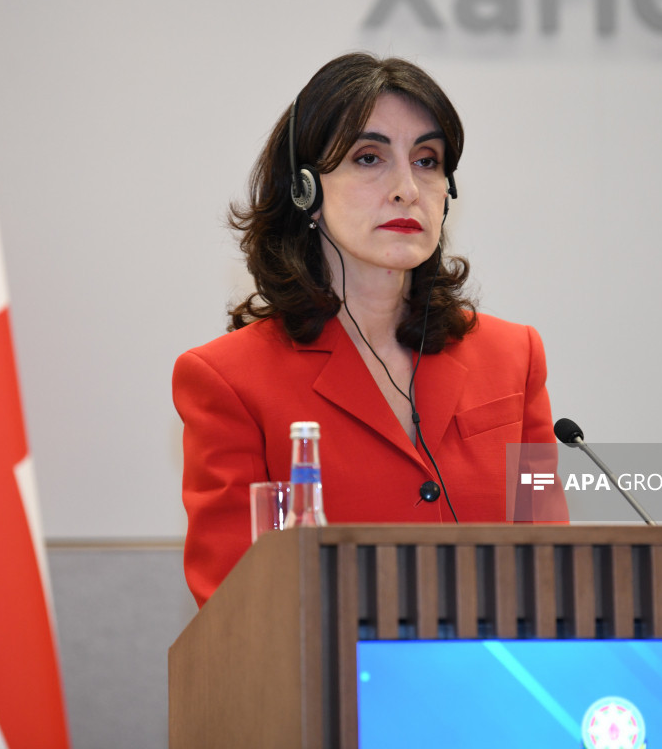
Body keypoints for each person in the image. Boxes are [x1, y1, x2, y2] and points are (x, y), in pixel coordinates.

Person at [173, 53, 567, 607]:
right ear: (305, 190)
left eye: (427, 161)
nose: (407, 188)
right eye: (368, 158)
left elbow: (553, 565)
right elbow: (238, 610)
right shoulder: (229, 381)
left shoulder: (514, 357)